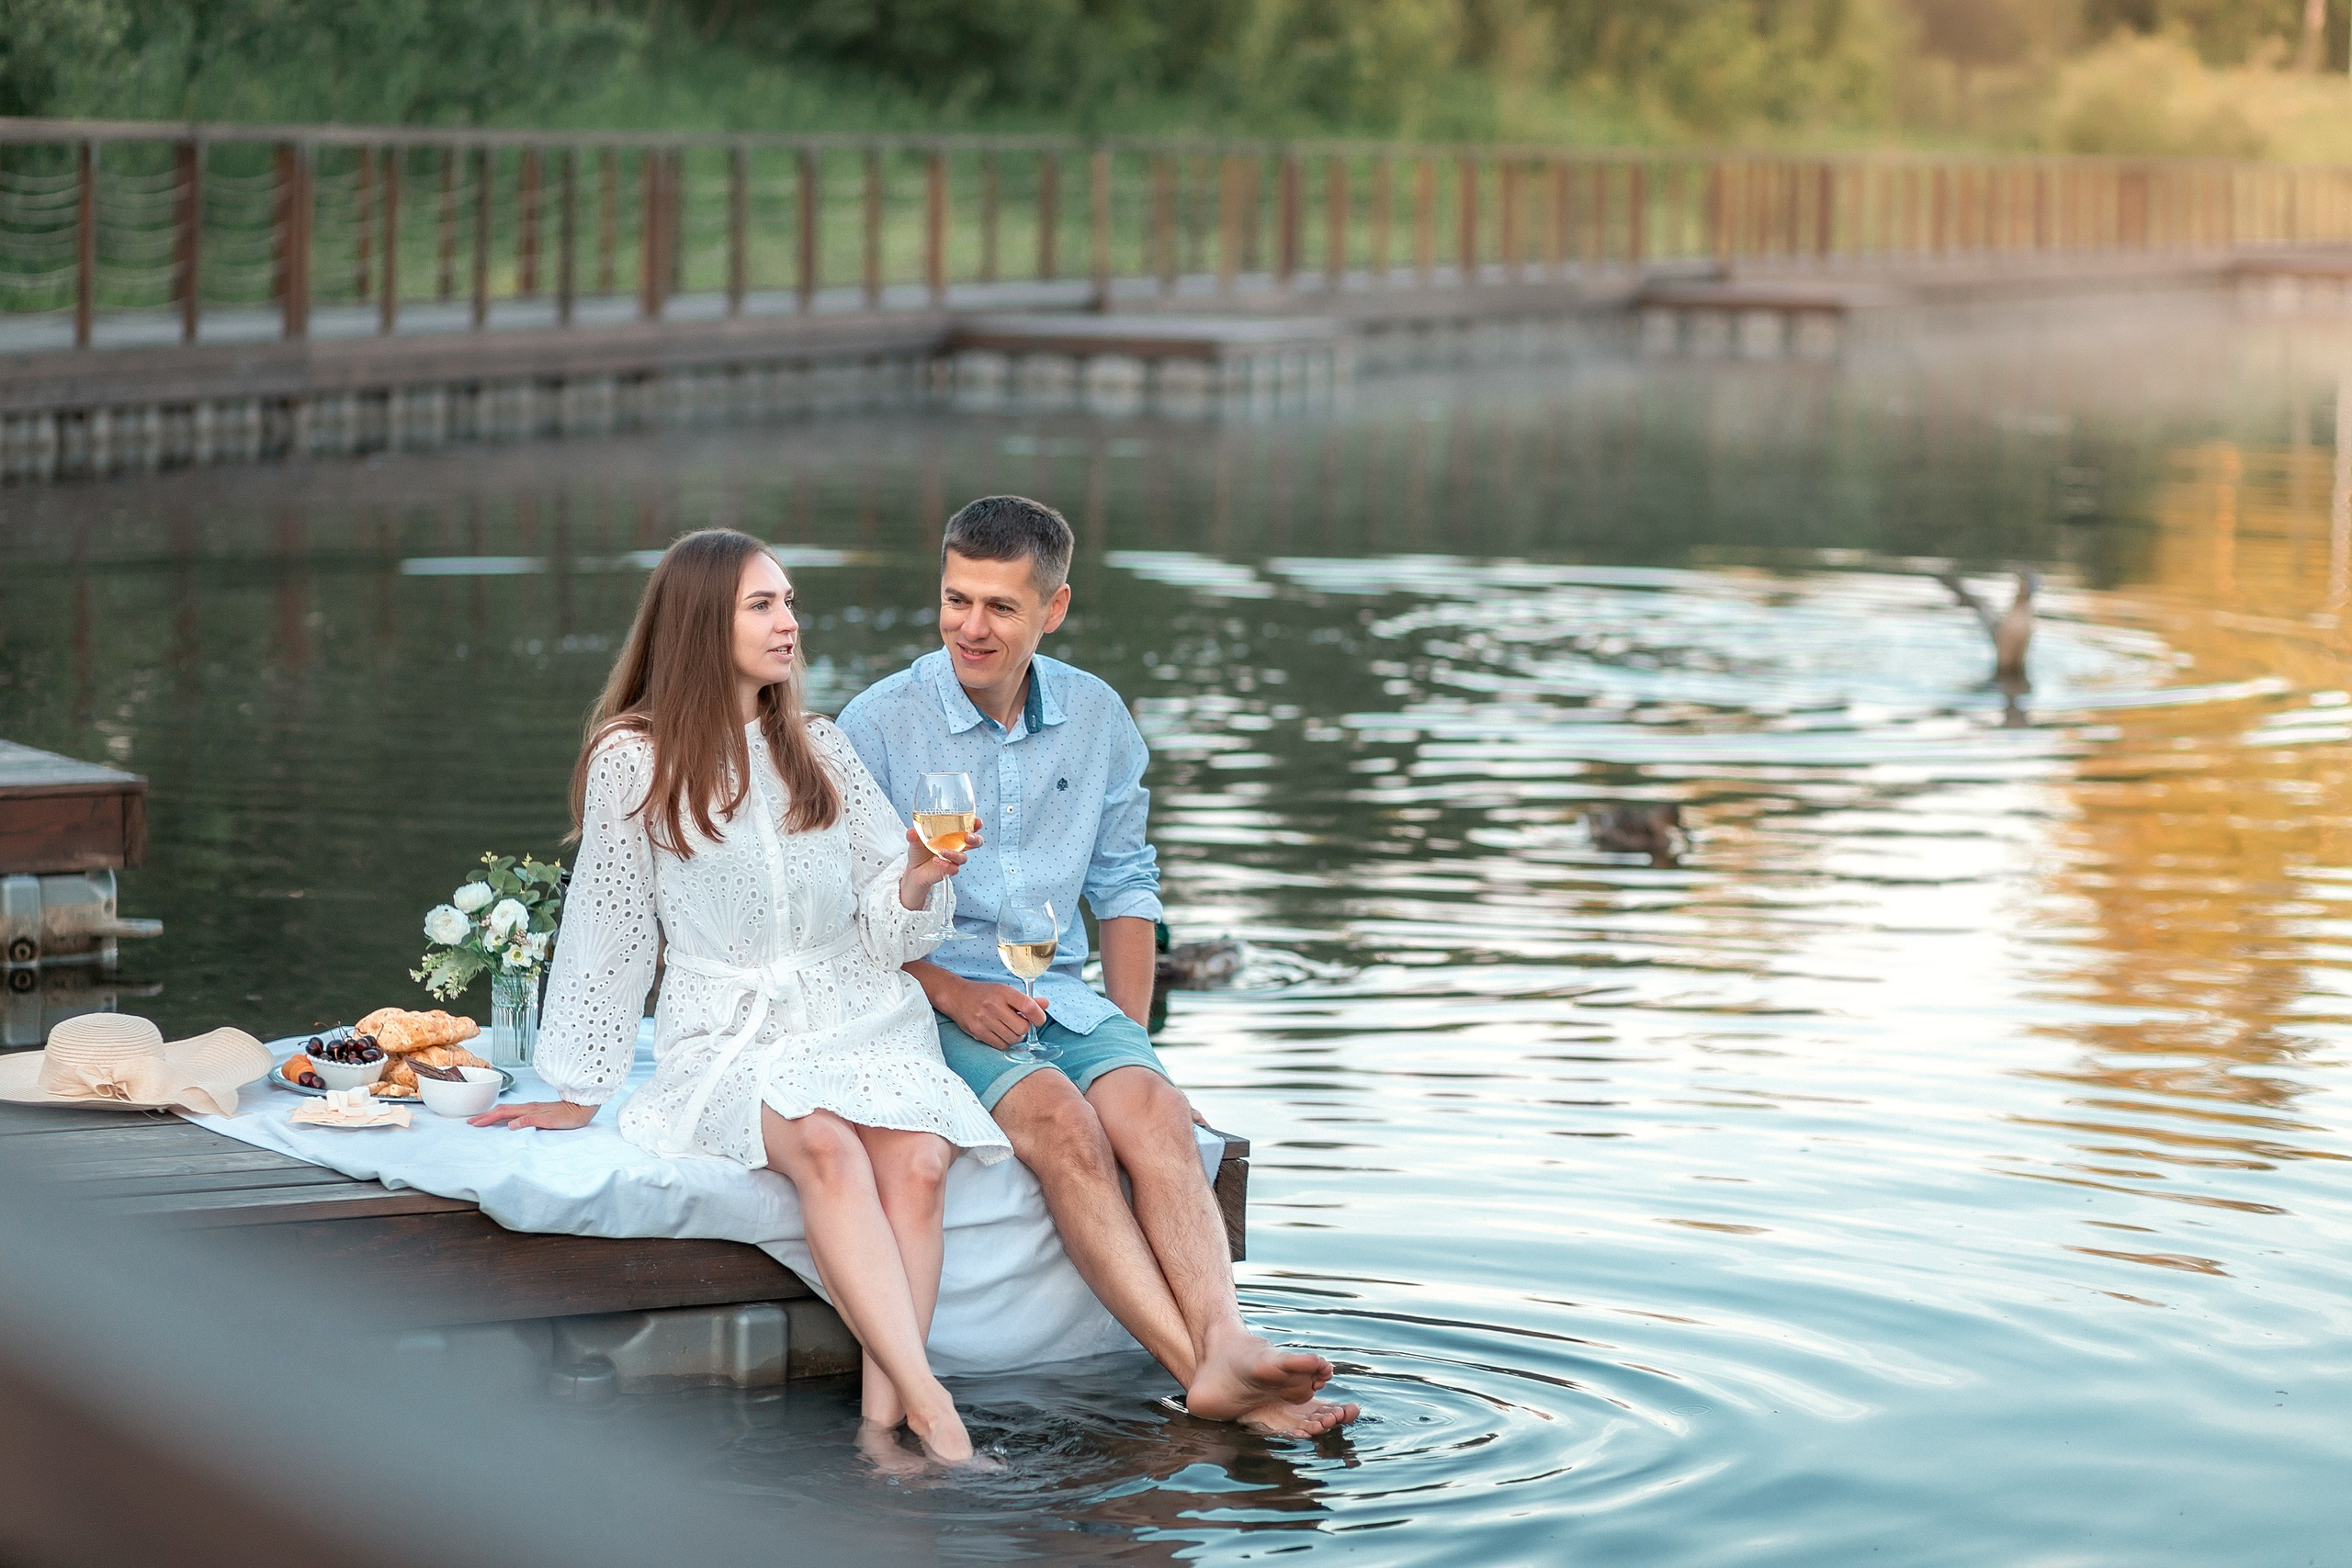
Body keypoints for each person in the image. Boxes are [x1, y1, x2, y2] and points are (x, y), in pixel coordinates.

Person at [475, 528, 1009, 1468]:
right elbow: (610, 927)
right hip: (732, 1032)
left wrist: (921, 878)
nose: (788, 622)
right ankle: (933, 1410)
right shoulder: (633, 759)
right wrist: (580, 1084)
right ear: (699, 622)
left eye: (789, 602)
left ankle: (881, 1427)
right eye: (762, 605)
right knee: (828, 1149)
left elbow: (889, 926)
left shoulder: (820, 746)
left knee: (922, 1161)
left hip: (859, 1011)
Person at [838, 495, 1360, 1438]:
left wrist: (1137, 1046)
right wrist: (953, 990)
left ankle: (1228, 1342)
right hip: (926, 995)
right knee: (1062, 1122)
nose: (970, 627)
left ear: (1055, 608)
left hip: (1059, 992)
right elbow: (846, 922)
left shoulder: (1096, 716)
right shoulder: (876, 725)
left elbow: (1126, 888)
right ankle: (1208, 1379)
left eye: (1000, 606)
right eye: (956, 599)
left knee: (1152, 1109)